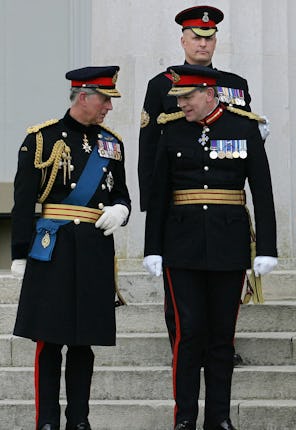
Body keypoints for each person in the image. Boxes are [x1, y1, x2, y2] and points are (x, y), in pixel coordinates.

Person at [143, 64, 277, 430]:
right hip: (181, 245)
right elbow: (158, 194)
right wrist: (152, 246)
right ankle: (185, 417)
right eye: (179, 98)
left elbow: (262, 191)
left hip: (228, 244)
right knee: (188, 335)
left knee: (221, 338)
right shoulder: (170, 130)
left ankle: (219, 418)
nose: (182, 104)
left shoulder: (243, 127)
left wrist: (267, 247)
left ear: (209, 93)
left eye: (187, 97)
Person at [10, 66, 130, 430]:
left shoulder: (112, 143)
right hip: (54, 251)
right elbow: (24, 198)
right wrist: (19, 252)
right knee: (50, 341)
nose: (109, 107)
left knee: (84, 343)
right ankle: (47, 421)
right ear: (84, 97)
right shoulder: (42, 138)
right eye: (105, 99)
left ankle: (79, 420)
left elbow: (121, 192)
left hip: (93, 251)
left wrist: (121, 210)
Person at [138, 4, 257, 366]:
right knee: (180, 293)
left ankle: (221, 347)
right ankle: (182, 345)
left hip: (221, 203)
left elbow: (243, 140)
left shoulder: (235, 85)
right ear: (183, 41)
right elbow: (149, 147)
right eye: (196, 38)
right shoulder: (161, 85)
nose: (203, 44)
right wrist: (152, 205)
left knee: (222, 291)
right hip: (178, 199)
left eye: (209, 38)